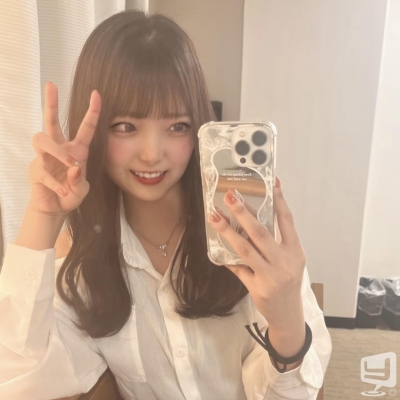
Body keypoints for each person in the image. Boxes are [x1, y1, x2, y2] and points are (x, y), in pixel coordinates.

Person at [0, 9, 332, 400]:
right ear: (96, 129)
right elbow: (16, 377)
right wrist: (43, 215)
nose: (152, 153)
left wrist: (288, 325)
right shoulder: (83, 257)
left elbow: (293, 393)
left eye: (177, 126)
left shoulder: (247, 229)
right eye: (126, 126)